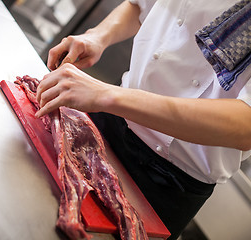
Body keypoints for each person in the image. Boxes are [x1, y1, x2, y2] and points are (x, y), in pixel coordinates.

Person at [35, 0, 251, 239]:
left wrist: (107, 95)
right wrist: (97, 36)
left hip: (166, 184)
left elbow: (245, 125)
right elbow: (140, 6)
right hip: (106, 124)